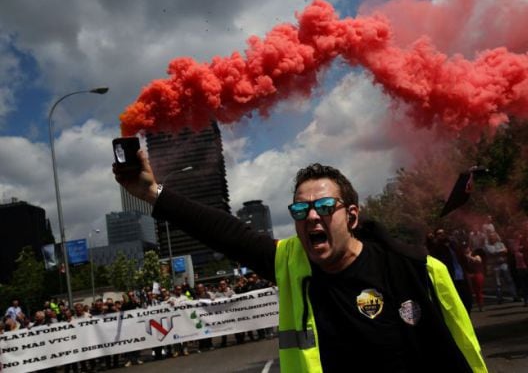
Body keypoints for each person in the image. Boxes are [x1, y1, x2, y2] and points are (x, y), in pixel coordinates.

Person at [114, 153, 486, 372]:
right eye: (300, 209)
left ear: (352, 216)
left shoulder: (415, 269)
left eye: (325, 207)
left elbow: (463, 354)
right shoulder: (291, 262)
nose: (311, 217)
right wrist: (151, 193)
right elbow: (223, 231)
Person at [483, 231, 517, 304]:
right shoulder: (487, 245)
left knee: (509, 280)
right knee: (497, 283)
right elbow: (492, 252)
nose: (492, 238)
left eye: (493, 236)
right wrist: (500, 251)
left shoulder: (500, 243)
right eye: (491, 237)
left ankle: (515, 296)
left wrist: (498, 252)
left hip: (503, 264)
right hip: (495, 265)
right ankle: (500, 298)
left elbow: (505, 251)